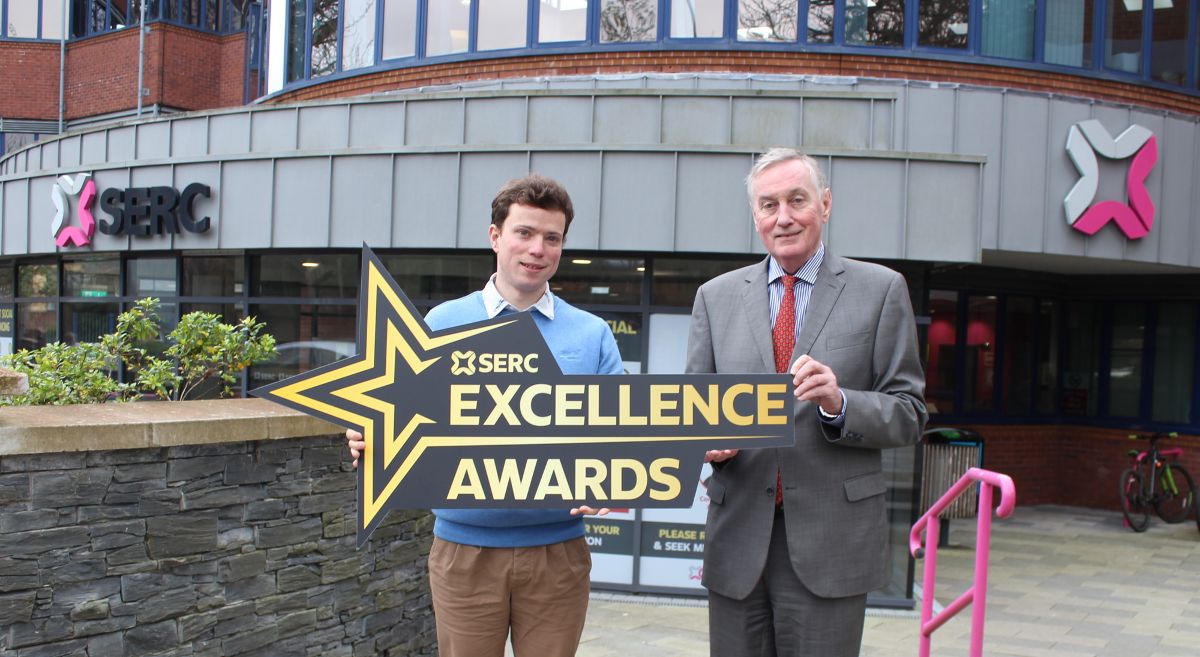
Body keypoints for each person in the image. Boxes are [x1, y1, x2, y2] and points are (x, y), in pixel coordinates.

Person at [347, 174, 622, 657]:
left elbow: (621, 431)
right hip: (463, 553)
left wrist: (612, 480)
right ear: (495, 236)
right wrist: (371, 434)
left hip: (558, 553)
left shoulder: (592, 333)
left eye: (552, 238)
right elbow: (402, 415)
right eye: (524, 233)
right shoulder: (440, 324)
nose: (537, 249)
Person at [686, 148, 927, 657]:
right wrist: (706, 443)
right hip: (738, 539)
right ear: (755, 215)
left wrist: (840, 403)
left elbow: (909, 413)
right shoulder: (715, 297)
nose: (783, 217)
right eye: (768, 204)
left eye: (797, 200)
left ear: (826, 203)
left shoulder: (881, 290)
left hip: (832, 539)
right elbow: (693, 413)